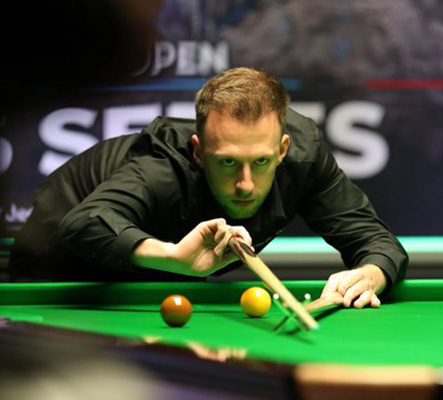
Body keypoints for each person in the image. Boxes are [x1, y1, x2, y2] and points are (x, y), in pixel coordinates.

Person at [9, 67, 408, 308]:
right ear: (199, 152)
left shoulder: (305, 159)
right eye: (228, 162)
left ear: (283, 149)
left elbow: (378, 242)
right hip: (56, 274)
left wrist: (370, 274)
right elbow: (84, 222)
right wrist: (172, 257)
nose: (245, 184)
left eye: (261, 162)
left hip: (155, 275)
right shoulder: (162, 167)